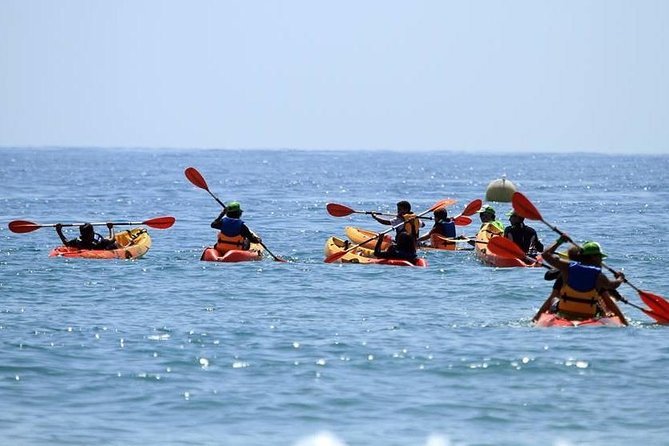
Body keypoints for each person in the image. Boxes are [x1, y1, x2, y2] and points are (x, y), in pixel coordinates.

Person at [539, 235, 626, 322]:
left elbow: (545, 255)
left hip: (564, 312)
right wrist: (620, 279)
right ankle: (607, 318)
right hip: (588, 314)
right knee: (602, 302)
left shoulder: (566, 268)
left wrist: (559, 241)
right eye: (600, 257)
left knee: (554, 299)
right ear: (594, 257)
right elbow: (612, 286)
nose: (601, 260)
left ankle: (544, 319)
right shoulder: (599, 276)